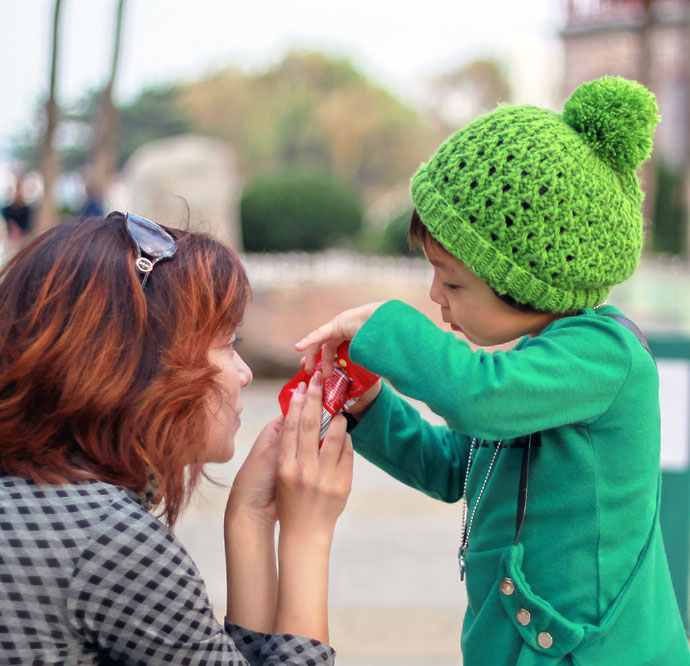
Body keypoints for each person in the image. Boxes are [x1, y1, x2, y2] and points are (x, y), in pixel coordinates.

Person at [295, 77, 690, 665]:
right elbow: (456, 464)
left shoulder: (605, 356)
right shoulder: (537, 366)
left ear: (527, 279)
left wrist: (387, 325)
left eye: (452, 281)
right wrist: (370, 406)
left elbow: (478, 396)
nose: (436, 296)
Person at [0, 211, 353, 665]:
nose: (244, 374)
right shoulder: (109, 540)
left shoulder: (44, 501)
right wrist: (308, 532)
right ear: (138, 363)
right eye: (229, 345)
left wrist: (251, 520)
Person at [2, 176, 33, 250]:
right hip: (10, 241)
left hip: (21, 240)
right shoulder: (6, 210)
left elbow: (28, 227)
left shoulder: (26, 210)